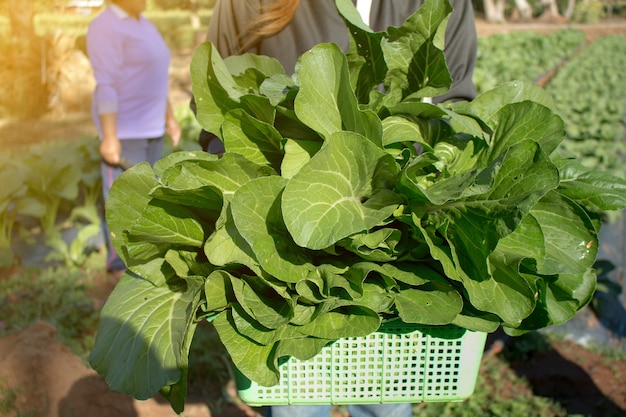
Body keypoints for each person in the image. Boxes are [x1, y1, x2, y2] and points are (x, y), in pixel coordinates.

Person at [198, 1, 478, 416]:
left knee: (386, 405)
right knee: (296, 407)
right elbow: (218, 105)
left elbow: (453, 106)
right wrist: (249, 193)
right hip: (284, 255)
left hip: (397, 257)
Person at [195, 0, 477, 154]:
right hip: (273, 231)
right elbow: (217, 104)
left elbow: (452, 110)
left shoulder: (441, 5)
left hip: (398, 241)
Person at [86, 0, 181, 277]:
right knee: (123, 202)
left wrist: (170, 118)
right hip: (126, 133)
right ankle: (119, 268)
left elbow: (157, 77)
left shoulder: (145, 24)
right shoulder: (104, 27)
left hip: (153, 130)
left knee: (147, 199)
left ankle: (145, 263)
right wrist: (110, 136)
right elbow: (106, 85)